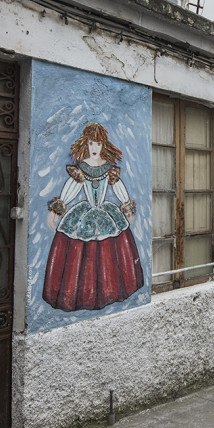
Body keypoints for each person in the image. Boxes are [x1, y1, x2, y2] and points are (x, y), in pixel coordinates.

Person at [42, 122, 145, 311]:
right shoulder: (81, 168)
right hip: (85, 212)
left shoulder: (109, 169)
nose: (94, 148)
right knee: (82, 254)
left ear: (103, 145)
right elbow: (70, 190)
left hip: (106, 213)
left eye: (97, 144)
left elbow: (119, 189)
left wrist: (128, 208)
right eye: (90, 144)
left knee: (107, 253)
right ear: (85, 145)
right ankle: (81, 296)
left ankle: (109, 292)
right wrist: (57, 210)